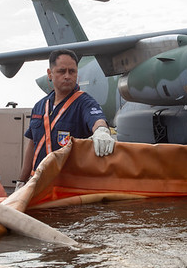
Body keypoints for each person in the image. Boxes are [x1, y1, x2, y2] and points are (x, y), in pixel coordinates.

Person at [16, 49, 114, 187]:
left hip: (68, 187)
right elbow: (32, 145)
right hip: (39, 184)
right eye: (62, 71)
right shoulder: (40, 106)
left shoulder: (84, 103)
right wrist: (21, 181)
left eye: (72, 71)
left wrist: (101, 131)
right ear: (50, 74)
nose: (67, 76)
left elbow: (97, 119)